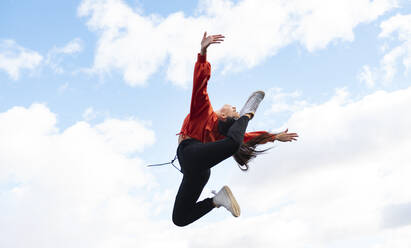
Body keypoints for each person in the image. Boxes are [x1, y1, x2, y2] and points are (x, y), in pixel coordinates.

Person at [172, 32, 298, 227]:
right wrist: (274, 136)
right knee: (179, 219)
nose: (233, 107)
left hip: (191, 156)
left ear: (224, 116)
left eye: (235, 111)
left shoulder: (207, 114)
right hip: (196, 171)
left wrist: (202, 53)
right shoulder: (206, 115)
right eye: (236, 110)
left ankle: (249, 114)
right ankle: (217, 200)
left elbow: (200, 85)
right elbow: (248, 137)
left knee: (232, 143)